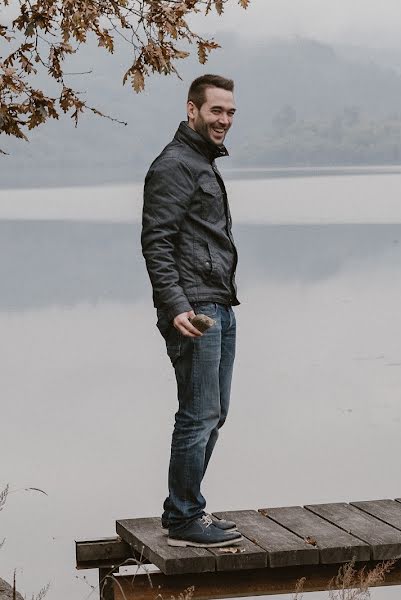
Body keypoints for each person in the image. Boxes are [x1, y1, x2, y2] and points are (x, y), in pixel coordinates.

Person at [141, 74, 243, 548]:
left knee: (214, 413)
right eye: (215, 111)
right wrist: (176, 304)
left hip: (217, 302)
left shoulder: (199, 162)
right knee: (197, 413)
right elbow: (157, 241)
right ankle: (183, 517)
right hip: (194, 308)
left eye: (230, 113)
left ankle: (188, 507)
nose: (223, 120)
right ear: (191, 110)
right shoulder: (174, 165)